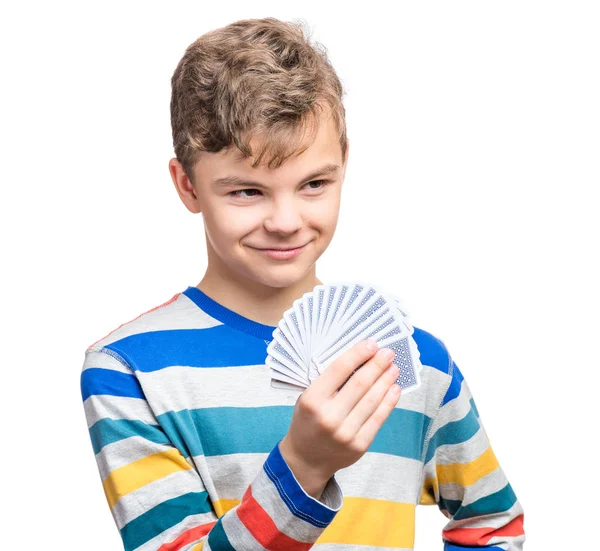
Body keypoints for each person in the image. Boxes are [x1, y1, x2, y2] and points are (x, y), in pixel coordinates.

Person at [80, 17, 525, 551]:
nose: (286, 220)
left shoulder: (416, 362)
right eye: (246, 192)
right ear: (187, 185)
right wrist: (304, 466)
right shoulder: (130, 369)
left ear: (344, 167)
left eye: (314, 183)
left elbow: (492, 525)